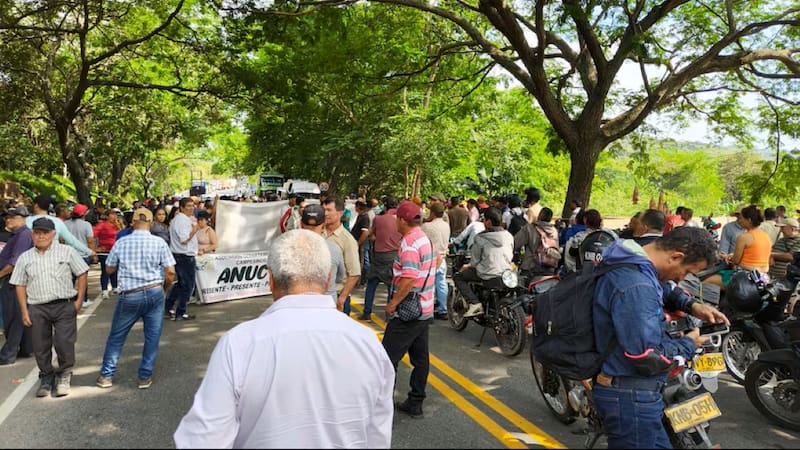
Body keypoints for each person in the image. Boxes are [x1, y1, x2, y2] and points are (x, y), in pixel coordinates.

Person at [174, 230, 394, 448]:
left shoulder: (240, 343)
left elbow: (203, 439)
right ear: (328, 278)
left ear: (270, 279)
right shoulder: (369, 343)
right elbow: (378, 437)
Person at [592, 226, 729, 448]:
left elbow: (664, 288)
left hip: (640, 393)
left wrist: (692, 305)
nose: (681, 278)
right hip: (630, 395)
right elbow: (646, 357)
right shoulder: (637, 286)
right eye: (686, 272)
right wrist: (688, 344)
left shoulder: (635, 262)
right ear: (676, 256)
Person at [96, 208, 176, 390]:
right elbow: (170, 272)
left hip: (130, 294)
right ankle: (144, 377)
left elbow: (109, 269)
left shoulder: (122, 242)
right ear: (151, 222)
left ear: (132, 222)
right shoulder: (160, 243)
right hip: (154, 291)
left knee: (117, 337)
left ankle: (106, 376)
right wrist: (164, 289)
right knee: (152, 337)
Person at [11, 218, 89, 398]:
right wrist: (24, 311)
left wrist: (78, 300)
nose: (41, 236)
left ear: (53, 234)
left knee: (64, 343)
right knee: (40, 345)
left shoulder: (67, 252)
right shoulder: (26, 257)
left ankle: (64, 374)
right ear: (32, 235)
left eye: (45, 233)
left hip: (63, 305)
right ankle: (46, 376)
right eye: (37, 233)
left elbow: (82, 272)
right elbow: (19, 284)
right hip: (37, 307)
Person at [383, 200, 436, 417]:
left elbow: (409, 277)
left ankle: (382, 406)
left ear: (403, 220)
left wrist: (393, 303)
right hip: (424, 308)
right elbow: (436, 261)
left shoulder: (409, 244)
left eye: (397, 218)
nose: (395, 221)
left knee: (386, 358)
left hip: (407, 312)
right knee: (420, 359)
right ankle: (415, 401)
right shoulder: (425, 238)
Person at [453, 207, 514, 318]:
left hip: (487, 274)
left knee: (458, 277)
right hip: (506, 274)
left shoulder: (481, 237)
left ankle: (474, 303)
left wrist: (467, 266)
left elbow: (475, 262)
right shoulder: (509, 236)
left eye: (484, 220)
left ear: (489, 222)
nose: (483, 222)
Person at [0, 206, 34, 365]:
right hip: (14, 280)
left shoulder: (23, 235)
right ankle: (26, 348)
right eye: (7, 217)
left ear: (22, 218)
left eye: (12, 217)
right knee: (18, 316)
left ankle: (8, 354)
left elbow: (14, 263)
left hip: (14, 281)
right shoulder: (17, 235)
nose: (8, 220)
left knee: (13, 318)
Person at [361, 196, 402, 320]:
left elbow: (371, 235)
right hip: (394, 255)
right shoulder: (401, 221)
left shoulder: (378, 219)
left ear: (385, 207)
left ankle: (367, 312)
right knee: (392, 286)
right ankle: (389, 314)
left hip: (379, 256)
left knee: (372, 284)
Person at [322, 194, 361, 315]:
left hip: (337, 297)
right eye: (323, 210)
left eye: (329, 210)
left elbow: (354, 273)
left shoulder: (347, 240)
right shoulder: (318, 233)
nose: (325, 214)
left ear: (340, 213)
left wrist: (342, 298)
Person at [300, 204, 346, 304]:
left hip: (299, 304)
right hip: (327, 304)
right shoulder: (334, 249)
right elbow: (340, 277)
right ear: (324, 223)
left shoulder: (288, 248)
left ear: (301, 223)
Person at [166, 197, 199, 321]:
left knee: (181, 284)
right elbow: (184, 240)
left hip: (182, 255)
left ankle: (168, 306)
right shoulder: (181, 220)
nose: (191, 208)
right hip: (184, 255)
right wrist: (194, 231)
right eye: (188, 206)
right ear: (181, 208)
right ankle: (181, 311)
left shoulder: (182, 219)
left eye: (192, 205)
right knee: (187, 285)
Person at [421, 202, 450, 319]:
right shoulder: (446, 225)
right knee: (441, 283)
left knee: (429, 284)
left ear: (432, 212)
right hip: (442, 257)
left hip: (430, 258)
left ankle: (429, 310)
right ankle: (443, 309)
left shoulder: (427, 227)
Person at [93, 210, 120, 300]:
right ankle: (104, 289)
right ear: (107, 216)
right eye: (112, 214)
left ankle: (115, 286)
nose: (114, 217)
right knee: (106, 270)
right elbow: (92, 235)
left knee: (115, 269)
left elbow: (122, 233)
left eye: (115, 215)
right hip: (105, 251)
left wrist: (120, 224)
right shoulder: (102, 225)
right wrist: (96, 248)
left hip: (116, 250)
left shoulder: (117, 225)